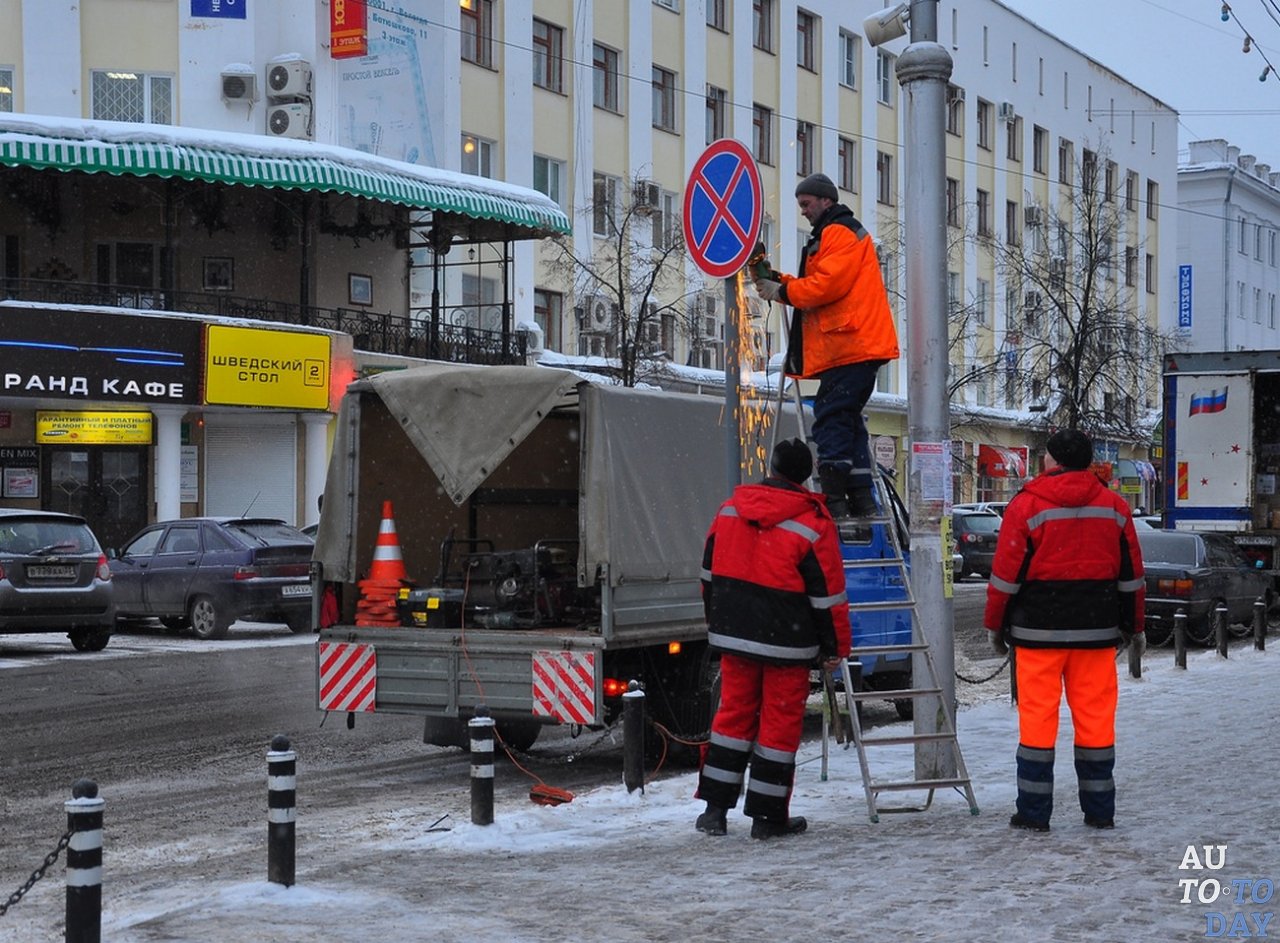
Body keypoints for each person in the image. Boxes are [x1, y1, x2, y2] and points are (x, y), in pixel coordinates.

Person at [983, 429, 1146, 833]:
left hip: (1038, 633)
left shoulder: (1025, 506)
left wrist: (995, 626)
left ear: (1052, 461)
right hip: (1096, 632)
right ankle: (1100, 810)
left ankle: (1034, 813)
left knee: (1037, 723)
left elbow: (1005, 577)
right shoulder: (1114, 507)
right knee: (1096, 722)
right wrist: (1133, 625)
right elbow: (1131, 577)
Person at [694, 438, 851, 839]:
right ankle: (767, 818)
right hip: (788, 642)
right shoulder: (813, 524)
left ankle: (714, 811)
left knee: (731, 719)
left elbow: (709, 576)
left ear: (772, 467)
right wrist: (835, 649)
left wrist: (719, 623)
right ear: (805, 475)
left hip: (735, 637)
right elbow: (828, 596)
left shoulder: (730, 509)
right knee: (778, 729)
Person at [752, 173, 900, 521]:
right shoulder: (837, 233)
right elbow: (817, 284)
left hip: (851, 343)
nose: (803, 211)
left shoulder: (838, 232)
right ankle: (861, 497)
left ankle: (834, 498)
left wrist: (784, 292)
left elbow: (825, 286)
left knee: (831, 416)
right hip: (853, 345)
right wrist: (780, 282)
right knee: (846, 420)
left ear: (826, 201)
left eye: (806, 204)